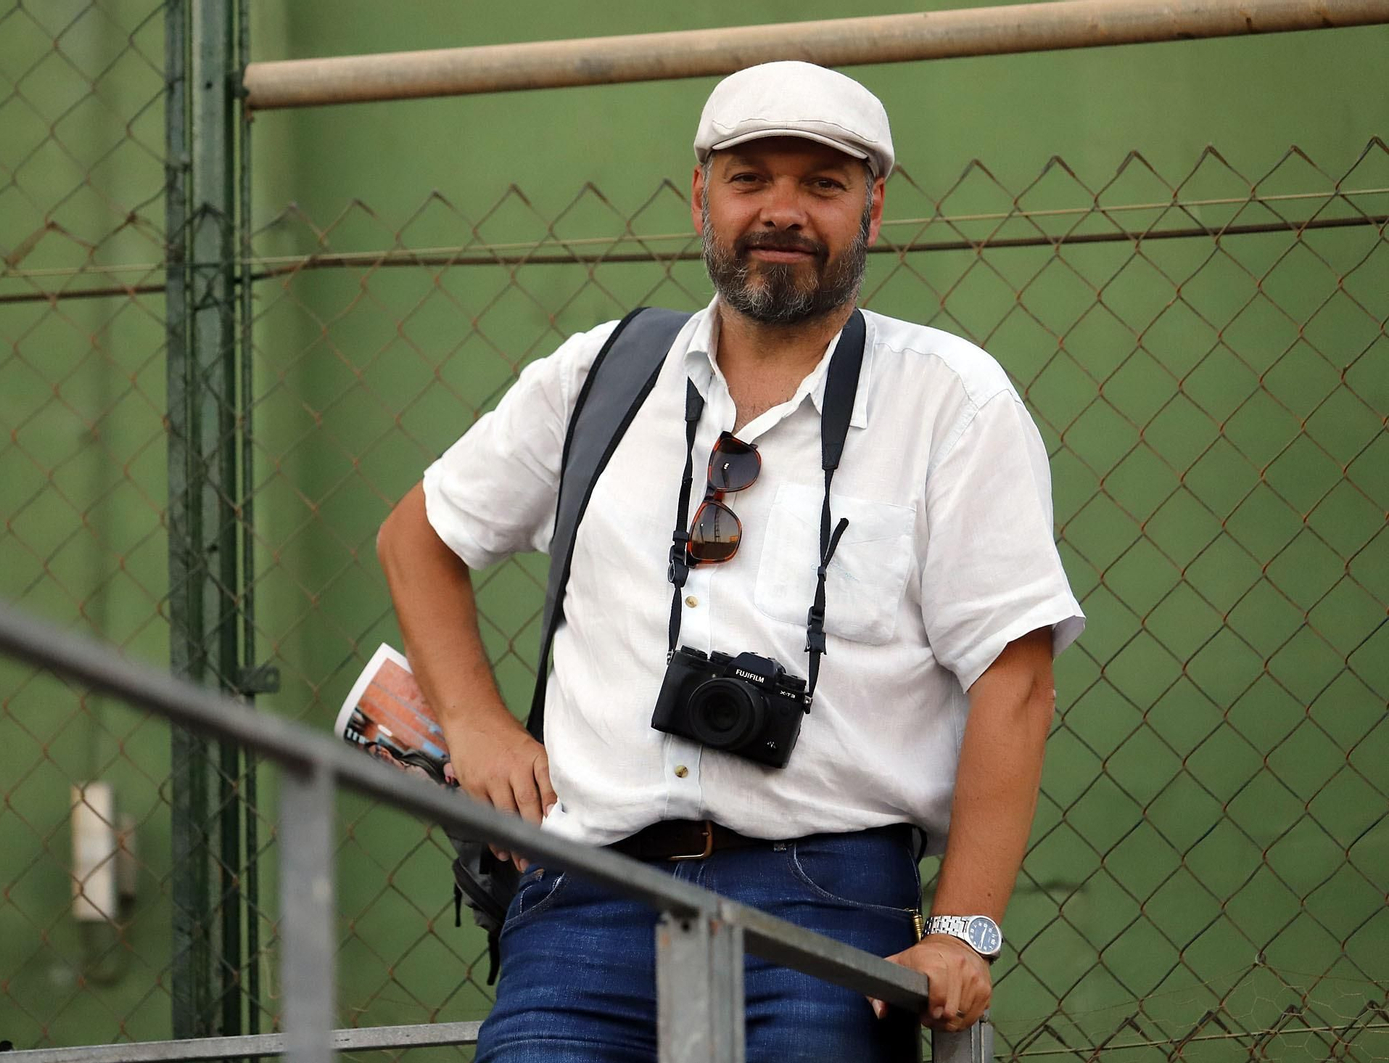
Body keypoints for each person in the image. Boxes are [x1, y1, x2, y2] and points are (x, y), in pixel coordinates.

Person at [377, 60, 1084, 1062]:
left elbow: (1014, 679)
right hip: (586, 885)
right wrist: (478, 726)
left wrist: (962, 929)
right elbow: (418, 534)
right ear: (699, 195)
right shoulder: (601, 374)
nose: (782, 210)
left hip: (828, 894)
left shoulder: (950, 402)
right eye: (751, 178)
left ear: (874, 207)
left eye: (822, 184)